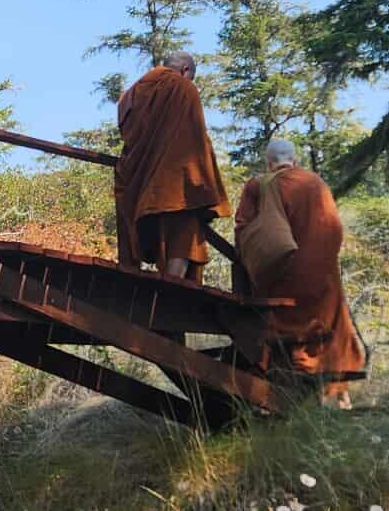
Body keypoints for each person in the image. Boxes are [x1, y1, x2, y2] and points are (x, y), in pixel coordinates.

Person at [234, 138, 367, 408]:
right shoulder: (317, 184)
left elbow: (243, 232)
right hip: (324, 282)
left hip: (284, 283)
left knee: (271, 322)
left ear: (269, 163)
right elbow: (335, 230)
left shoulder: (258, 186)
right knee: (335, 320)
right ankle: (341, 399)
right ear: (294, 161)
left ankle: (283, 398)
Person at [113, 51, 230, 282]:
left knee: (157, 228)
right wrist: (205, 179)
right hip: (175, 178)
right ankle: (173, 283)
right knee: (186, 228)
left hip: (138, 178)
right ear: (186, 71)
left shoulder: (131, 94)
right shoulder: (183, 88)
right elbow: (195, 136)